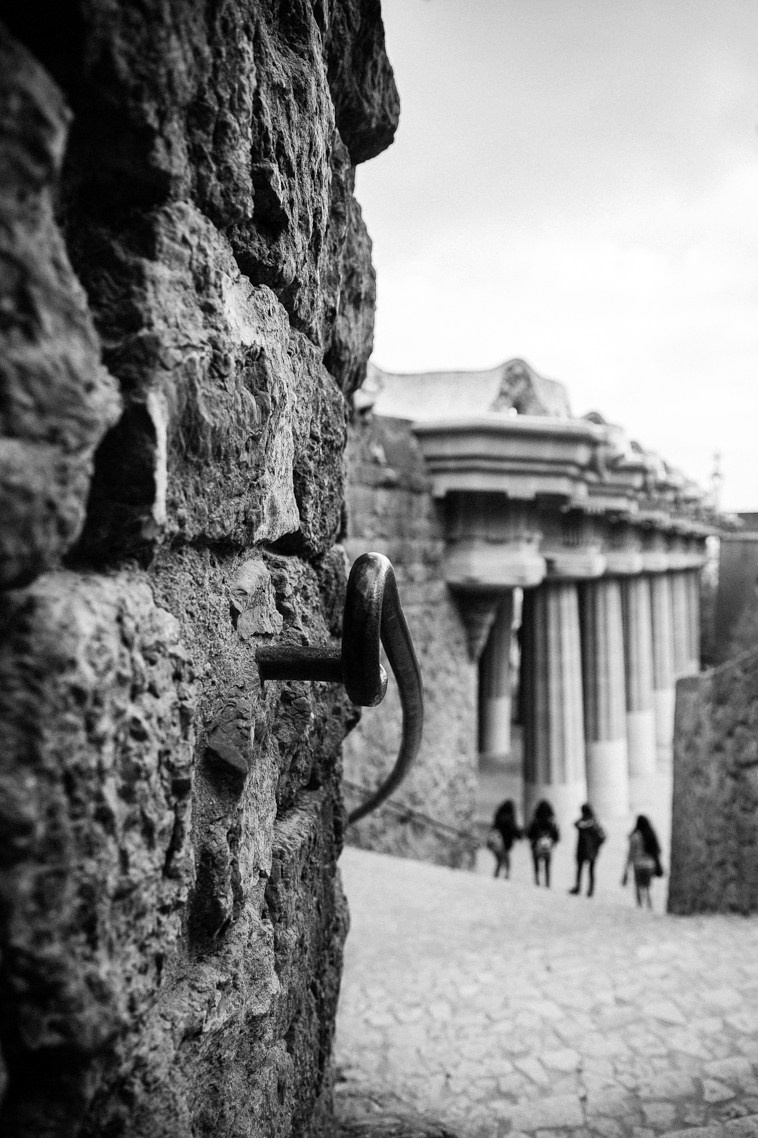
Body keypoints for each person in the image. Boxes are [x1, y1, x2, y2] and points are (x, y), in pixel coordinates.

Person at [622, 814, 663, 909]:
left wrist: (626, 868)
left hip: (638, 865)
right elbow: (657, 851)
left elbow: (631, 854)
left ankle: (639, 906)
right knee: (647, 888)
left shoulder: (635, 836)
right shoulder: (651, 835)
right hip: (650, 865)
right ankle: (649, 906)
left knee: (638, 886)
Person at [569, 803, 606, 898]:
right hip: (592, 850)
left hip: (582, 849)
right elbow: (603, 836)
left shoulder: (583, 822)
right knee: (591, 870)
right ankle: (590, 890)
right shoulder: (594, 822)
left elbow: (576, 824)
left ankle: (578, 887)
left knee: (580, 869)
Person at [527, 799, 560, 887]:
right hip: (547, 846)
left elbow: (529, 834)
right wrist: (553, 841)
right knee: (547, 866)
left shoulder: (535, 821)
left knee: (536, 865)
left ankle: (537, 881)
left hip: (536, 845)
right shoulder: (551, 821)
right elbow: (556, 835)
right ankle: (547, 883)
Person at [488, 799, 523, 879]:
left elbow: (494, 828)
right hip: (505, 843)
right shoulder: (509, 819)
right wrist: (519, 835)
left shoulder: (498, 817)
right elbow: (514, 830)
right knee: (506, 861)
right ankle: (505, 877)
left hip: (496, 842)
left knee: (499, 861)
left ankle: (496, 876)